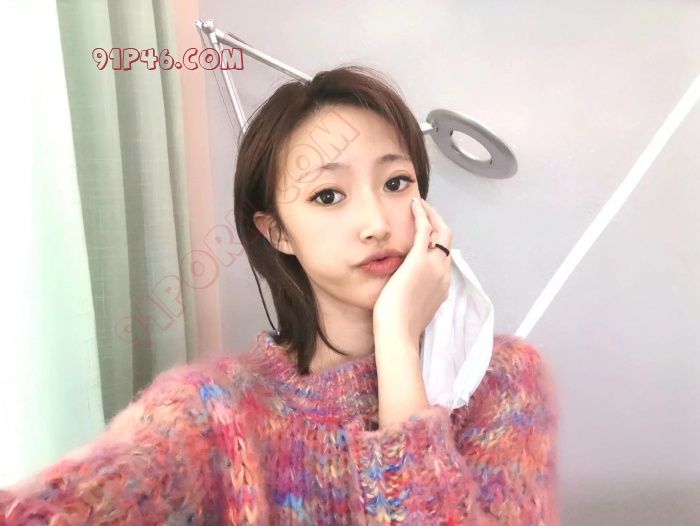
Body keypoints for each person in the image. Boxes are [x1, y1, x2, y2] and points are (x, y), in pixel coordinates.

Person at [0, 65, 559, 525]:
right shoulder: (213, 409)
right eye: (328, 195)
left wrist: (397, 342)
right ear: (277, 233)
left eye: (396, 183)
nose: (377, 223)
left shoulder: (501, 379)